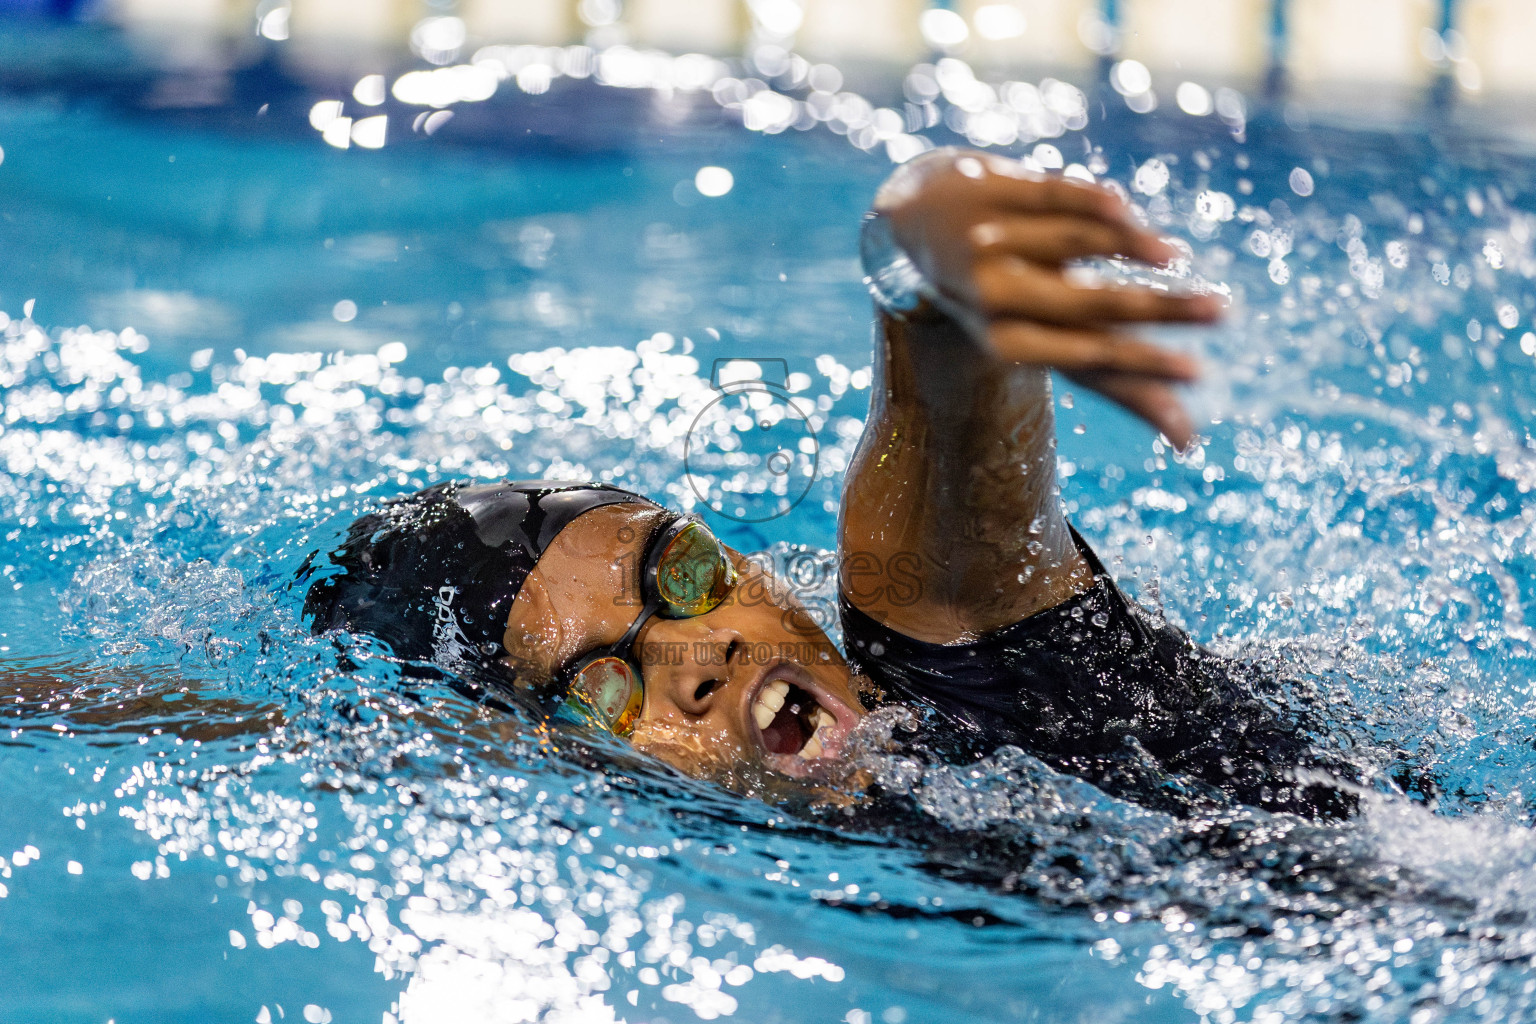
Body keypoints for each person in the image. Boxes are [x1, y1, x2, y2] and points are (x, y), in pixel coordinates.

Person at [302, 148, 1355, 818]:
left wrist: (926, 253)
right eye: (602, 689)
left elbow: (936, 420)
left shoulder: (948, 660)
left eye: (683, 573)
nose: (695, 655)